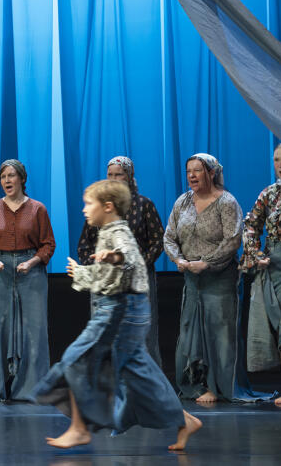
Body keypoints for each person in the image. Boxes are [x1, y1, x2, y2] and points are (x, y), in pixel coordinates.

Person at [34, 180, 202, 451]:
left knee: (77, 358)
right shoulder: (108, 231)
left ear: (108, 207)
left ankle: (79, 429)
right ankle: (185, 420)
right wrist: (82, 272)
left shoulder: (118, 232)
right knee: (137, 372)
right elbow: (108, 276)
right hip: (126, 308)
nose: (84, 209)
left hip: (120, 311)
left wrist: (114, 257)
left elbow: (128, 258)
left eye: (89, 204)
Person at [165, 153, 273, 403]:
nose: (191, 176)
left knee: (220, 334)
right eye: (188, 171)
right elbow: (169, 236)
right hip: (191, 278)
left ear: (211, 173)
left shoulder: (226, 202)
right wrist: (178, 259)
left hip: (220, 278)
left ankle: (222, 386)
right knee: (190, 331)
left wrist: (207, 262)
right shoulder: (182, 202)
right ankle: (197, 385)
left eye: (197, 171)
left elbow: (233, 240)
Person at [0, 159, 55, 402]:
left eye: (11, 176)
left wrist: (31, 262)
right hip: (0, 270)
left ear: (22, 179)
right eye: (3, 177)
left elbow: (48, 244)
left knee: (34, 329)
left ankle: (33, 389)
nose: (7, 181)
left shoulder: (37, 209)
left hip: (31, 270)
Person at [77, 156, 164, 366]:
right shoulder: (100, 206)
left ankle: (145, 382)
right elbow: (85, 243)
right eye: (110, 175)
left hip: (135, 281)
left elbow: (157, 240)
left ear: (129, 176)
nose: (114, 179)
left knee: (141, 335)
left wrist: (137, 264)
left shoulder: (143, 204)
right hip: (106, 280)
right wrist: (94, 267)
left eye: (119, 175)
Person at [241, 143, 281, 405]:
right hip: (277, 264)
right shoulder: (269, 194)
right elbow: (250, 226)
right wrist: (256, 254)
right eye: (277, 159)